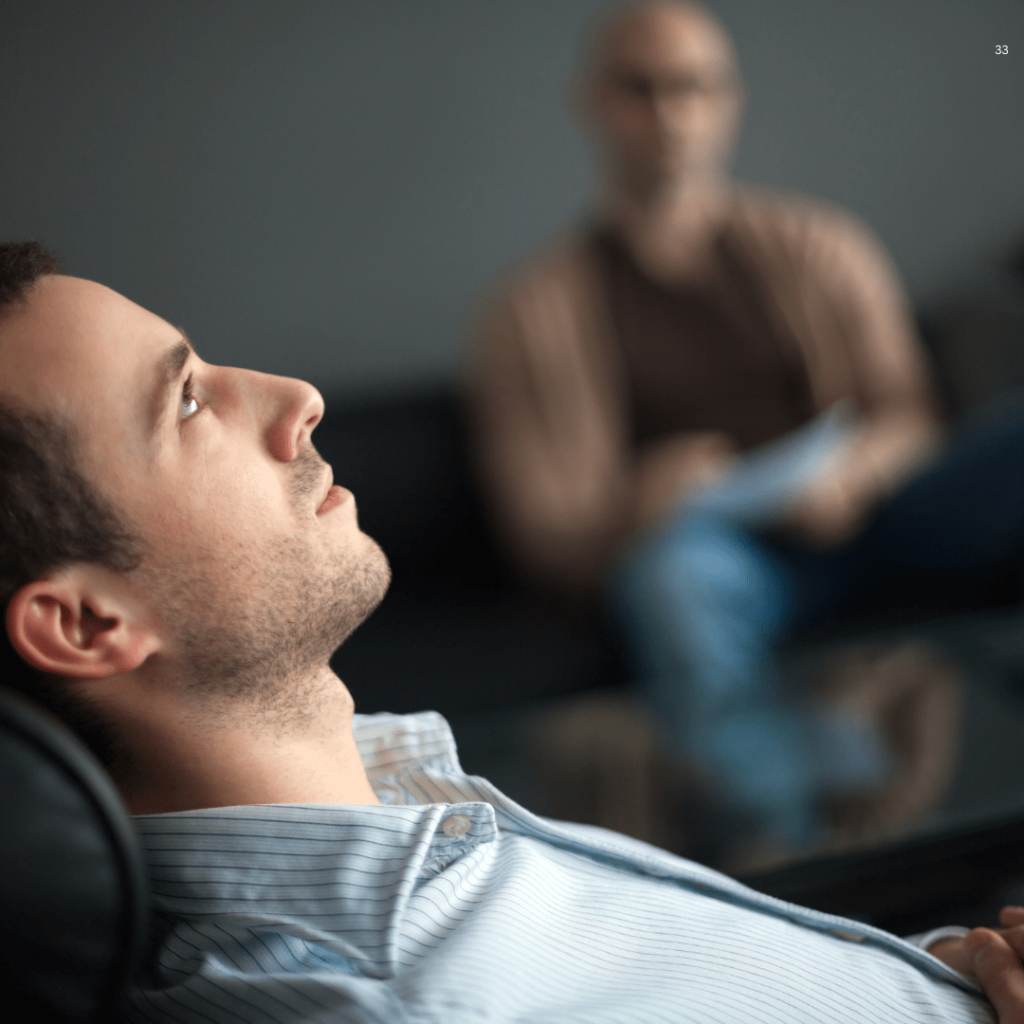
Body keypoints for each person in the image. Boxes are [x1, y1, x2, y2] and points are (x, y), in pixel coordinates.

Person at [2, 243, 1023, 1024]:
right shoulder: (402, 996)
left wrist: (942, 966)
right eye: (186, 401)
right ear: (89, 622)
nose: (298, 399)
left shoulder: (399, 793)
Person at [467, 0, 1024, 862]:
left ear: (729, 100)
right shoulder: (528, 312)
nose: (670, 115)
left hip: (868, 511)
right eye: (640, 89)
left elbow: (908, 411)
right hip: (715, 552)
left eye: (693, 87)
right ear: (593, 103)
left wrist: (856, 475)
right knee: (672, 578)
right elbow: (544, 533)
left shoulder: (822, 244)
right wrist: (640, 501)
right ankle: (796, 853)